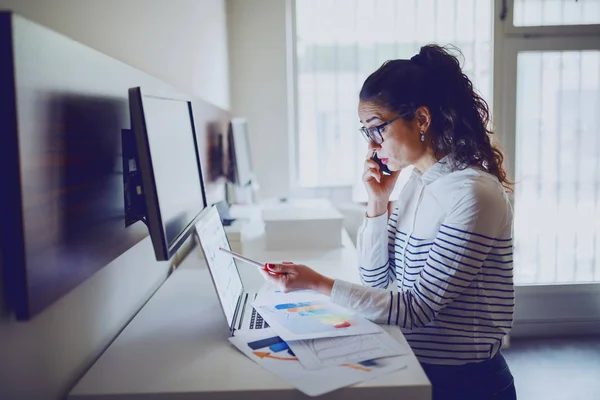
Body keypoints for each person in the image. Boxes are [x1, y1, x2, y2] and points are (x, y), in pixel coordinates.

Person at [262, 44, 517, 400]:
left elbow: (416, 308)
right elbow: (378, 281)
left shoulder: (473, 194)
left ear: (422, 120)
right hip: (417, 365)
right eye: (365, 131)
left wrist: (317, 283)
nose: (371, 143)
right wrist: (378, 203)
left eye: (377, 128)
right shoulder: (418, 182)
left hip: (465, 383)